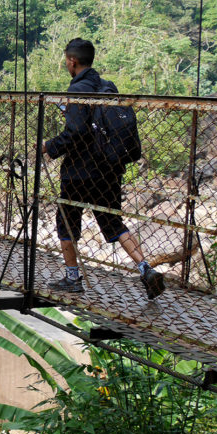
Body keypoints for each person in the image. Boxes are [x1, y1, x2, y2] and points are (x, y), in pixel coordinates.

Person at [42, 37, 165, 299]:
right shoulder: (108, 87)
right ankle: (145, 269)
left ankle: (72, 278)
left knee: (67, 222)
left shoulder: (77, 90)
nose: (67, 64)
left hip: (79, 172)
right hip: (109, 170)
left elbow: (76, 132)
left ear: (72, 61)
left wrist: (49, 147)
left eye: (67, 60)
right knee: (114, 223)